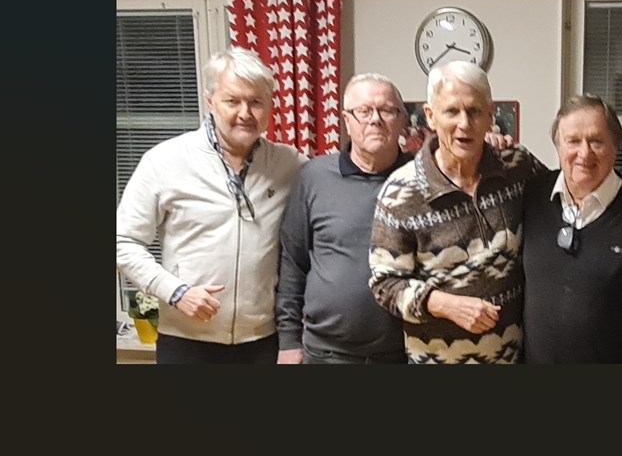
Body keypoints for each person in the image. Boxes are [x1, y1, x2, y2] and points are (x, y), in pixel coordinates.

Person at [116, 47, 306, 364]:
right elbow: (123, 241)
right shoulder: (165, 161)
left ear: (269, 106)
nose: (245, 113)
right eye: (232, 101)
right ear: (210, 102)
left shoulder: (290, 164)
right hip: (186, 341)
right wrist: (175, 292)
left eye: (256, 102)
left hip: (262, 342)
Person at [368, 61, 548, 364]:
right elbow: (385, 285)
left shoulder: (517, 165)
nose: (465, 123)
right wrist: (444, 305)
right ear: (430, 116)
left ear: (490, 115)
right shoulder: (400, 192)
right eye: (452, 111)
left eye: (475, 111)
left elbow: (565, 200)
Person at [521, 95, 622, 363]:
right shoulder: (532, 196)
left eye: (596, 141)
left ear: (615, 147)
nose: (585, 153)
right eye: (573, 141)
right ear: (558, 146)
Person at [275, 73, 411, 364]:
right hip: (326, 353)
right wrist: (288, 341)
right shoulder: (313, 177)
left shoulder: (421, 178)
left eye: (387, 110)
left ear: (402, 120)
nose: (375, 120)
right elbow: (293, 262)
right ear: (347, 120)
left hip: (405, 352)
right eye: (363, 111)